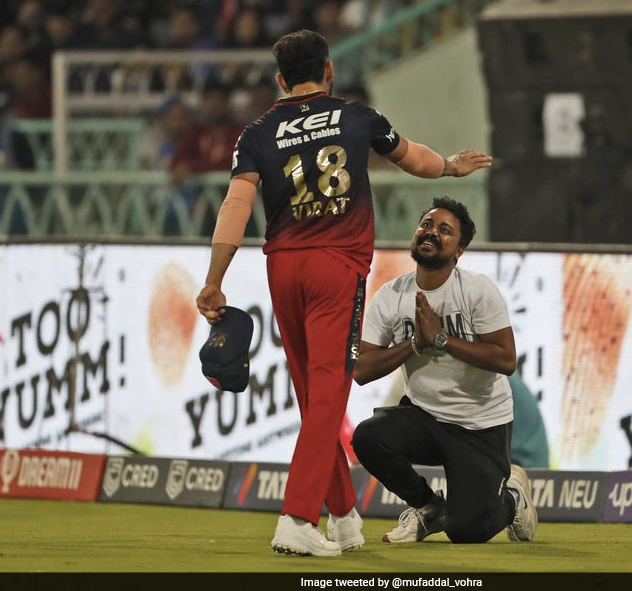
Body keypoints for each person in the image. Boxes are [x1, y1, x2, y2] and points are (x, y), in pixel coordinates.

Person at [195, 29, 491, 557]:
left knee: (313, 398)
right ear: (329, 70)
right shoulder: (356, 117)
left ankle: (343, 516)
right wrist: (450, 165)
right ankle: (296, 518)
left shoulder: (257, 132)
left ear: (280, 80)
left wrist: (215, 278)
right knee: (329, 394)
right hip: (337, 265)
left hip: (283, 266)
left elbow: (235, 206)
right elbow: (413, 158)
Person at [350, 196, 538, 545]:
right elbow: (361, 370)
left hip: (479, 425)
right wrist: (415, 344)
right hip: (424, 417)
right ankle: (428, 507)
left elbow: (505, 359)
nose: (432, 232)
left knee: (467, 531)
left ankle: (512, 497)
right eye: (426, 224)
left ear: (459, 250)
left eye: (445, 230)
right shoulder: (391, 295)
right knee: (368, 437)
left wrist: (442, 339)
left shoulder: (477, 289)